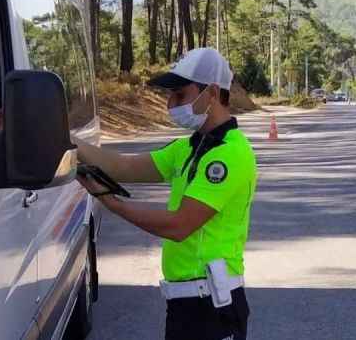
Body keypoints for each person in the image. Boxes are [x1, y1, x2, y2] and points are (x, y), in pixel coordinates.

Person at [75, 48, 256, 340]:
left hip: (211, 308)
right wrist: (62, 138)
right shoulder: (189, 147)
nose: (171, 104)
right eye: (169, 96)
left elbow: (179, 225)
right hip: (187, 305)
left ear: (211, 92)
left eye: (180, 95)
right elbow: (124, 166)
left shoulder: (230, 155)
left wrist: (111, 202)